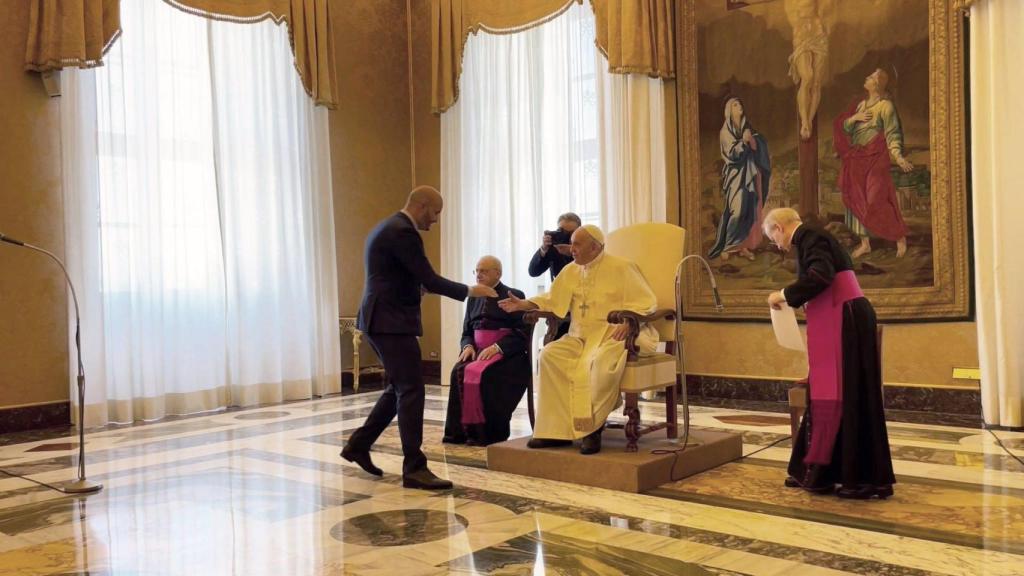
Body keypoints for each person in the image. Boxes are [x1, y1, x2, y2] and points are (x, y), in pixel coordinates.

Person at [341, 185, 497, 490]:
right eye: (436, 212)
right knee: (411, 389)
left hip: (380, 318)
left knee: (398, 387)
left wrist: (418, 288)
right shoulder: (403, 231)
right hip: (390, 321)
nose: (436, 220)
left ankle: (359, 444)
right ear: (423, 206)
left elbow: (398, 277)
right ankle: (414, 467)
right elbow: (429, 278)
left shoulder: (386, 227)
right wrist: (470, 291)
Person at [764, 207, 895, 499]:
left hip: (844, 317)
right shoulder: (813, 237)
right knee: (843, 394)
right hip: (845, 316)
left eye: (771, 236)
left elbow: (820, 276)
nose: (775, 244)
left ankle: (858, 479)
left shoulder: (809, 235)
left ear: (778, 227)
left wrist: (783, 295)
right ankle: (826, 471)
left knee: (848, 395)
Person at [499, 224, 658, 455]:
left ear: (595, 246)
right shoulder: (571, 271)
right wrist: (525, 304)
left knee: (600, 362)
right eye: (572, 243)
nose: (571, 249)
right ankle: (556, 432)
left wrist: (629, 321)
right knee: (550, 355)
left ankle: (591, 429)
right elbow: (553, 299)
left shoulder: (622, 267)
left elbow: (647, 302)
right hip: (579, 337)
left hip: (611, 335)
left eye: (577, 244)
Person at [442, 256, 531, 446]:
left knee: (489, 376)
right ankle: (459, 434)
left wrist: (498, 347)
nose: (479, 275)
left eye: (484, 271)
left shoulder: (514, 294)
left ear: (497, 273)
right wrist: (467, 346)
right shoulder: (473, 297)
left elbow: (522, 331)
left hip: (507, 354)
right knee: (458, 371)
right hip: (478, 351)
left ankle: (487, 435)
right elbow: (467, 331)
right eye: (477, 271)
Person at [834, 68, 914, 259]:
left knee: (876, 198)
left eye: (870, 77)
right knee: (856, 198)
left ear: (877, 84)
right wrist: (854, 118)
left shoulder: (885, 106)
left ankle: (899, 238)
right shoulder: (861, 105)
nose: (866, 78)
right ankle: (865, 243)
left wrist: (899, 157)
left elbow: (892, 133)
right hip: (857, 160)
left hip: (876, 157)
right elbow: (845, 126)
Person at [708, 97, 771, 261]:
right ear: (729, 110)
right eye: (735, 105)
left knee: (750, 209)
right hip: (736, 175)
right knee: (737, 209)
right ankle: (729, 245)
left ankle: (743, 246)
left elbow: (757, 143)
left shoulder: (747, 127)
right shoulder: (726, 132)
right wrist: (744, 141)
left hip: (750, 173)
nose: (739, 106)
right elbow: (731, 154)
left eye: (740, 104)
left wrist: (753, 140)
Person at [528, 212, 581, 280]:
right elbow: (533, 272)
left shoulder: (587, 246)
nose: (566, 236)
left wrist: (574, 251)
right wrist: (543, 249)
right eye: (562, 232)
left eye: (571, 233)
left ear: (579, 231)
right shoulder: (555, 247)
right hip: (560, 289)